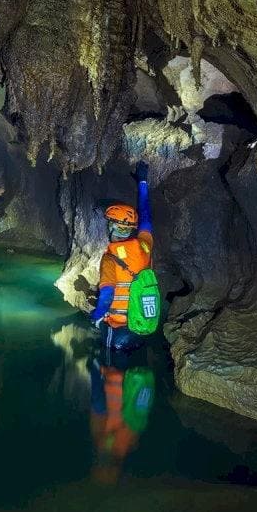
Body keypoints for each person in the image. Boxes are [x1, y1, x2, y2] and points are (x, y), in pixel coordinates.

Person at [90, 161, 152, 350]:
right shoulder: (144, 246)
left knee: (111, 371)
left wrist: (94, 317)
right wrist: (143, 182)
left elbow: (107, 297)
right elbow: (146, 217)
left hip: (117, 329)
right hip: (140, 325)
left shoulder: (110, 258)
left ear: (112, 227)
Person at [88, 348, 154, 485]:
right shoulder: (122, 443)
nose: (102, 465)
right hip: (120, 371)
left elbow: (98, 407)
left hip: (120, 373)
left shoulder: (108, 443)